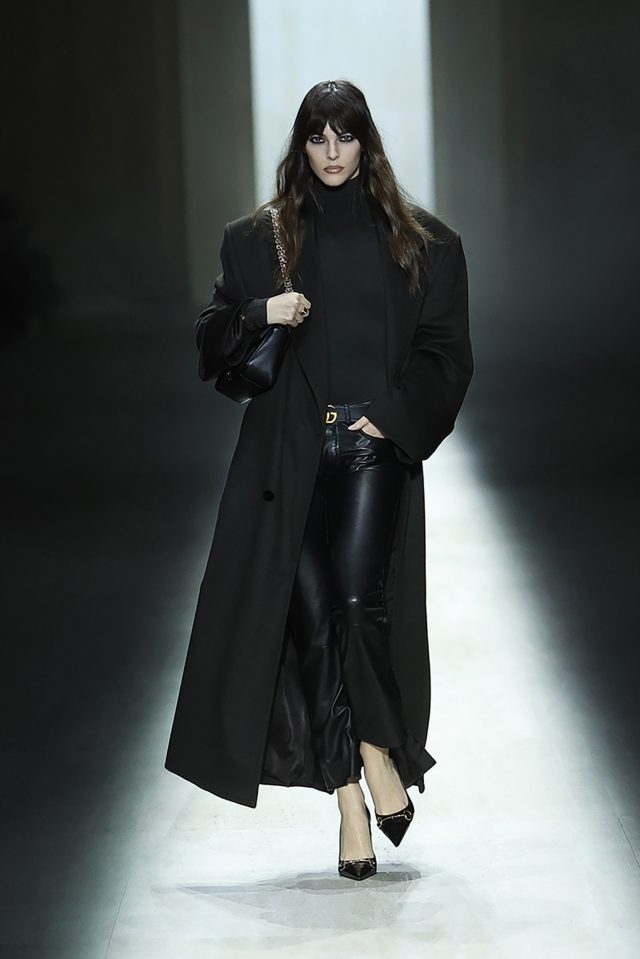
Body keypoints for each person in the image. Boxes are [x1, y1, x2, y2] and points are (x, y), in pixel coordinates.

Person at [165, 79, 474, 882]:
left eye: (346, 135)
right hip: (288, 456)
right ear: (301, 146)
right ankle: (350, 798)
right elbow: (211, 340)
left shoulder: (424, 244)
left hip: (371, 447)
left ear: (367, 143)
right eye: (317, 136)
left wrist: (391, 420)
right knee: (310, 627)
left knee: (356, 603)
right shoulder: (256, 241)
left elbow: (447, 353)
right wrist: (261, 312)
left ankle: (376, 750)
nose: (332, 152)